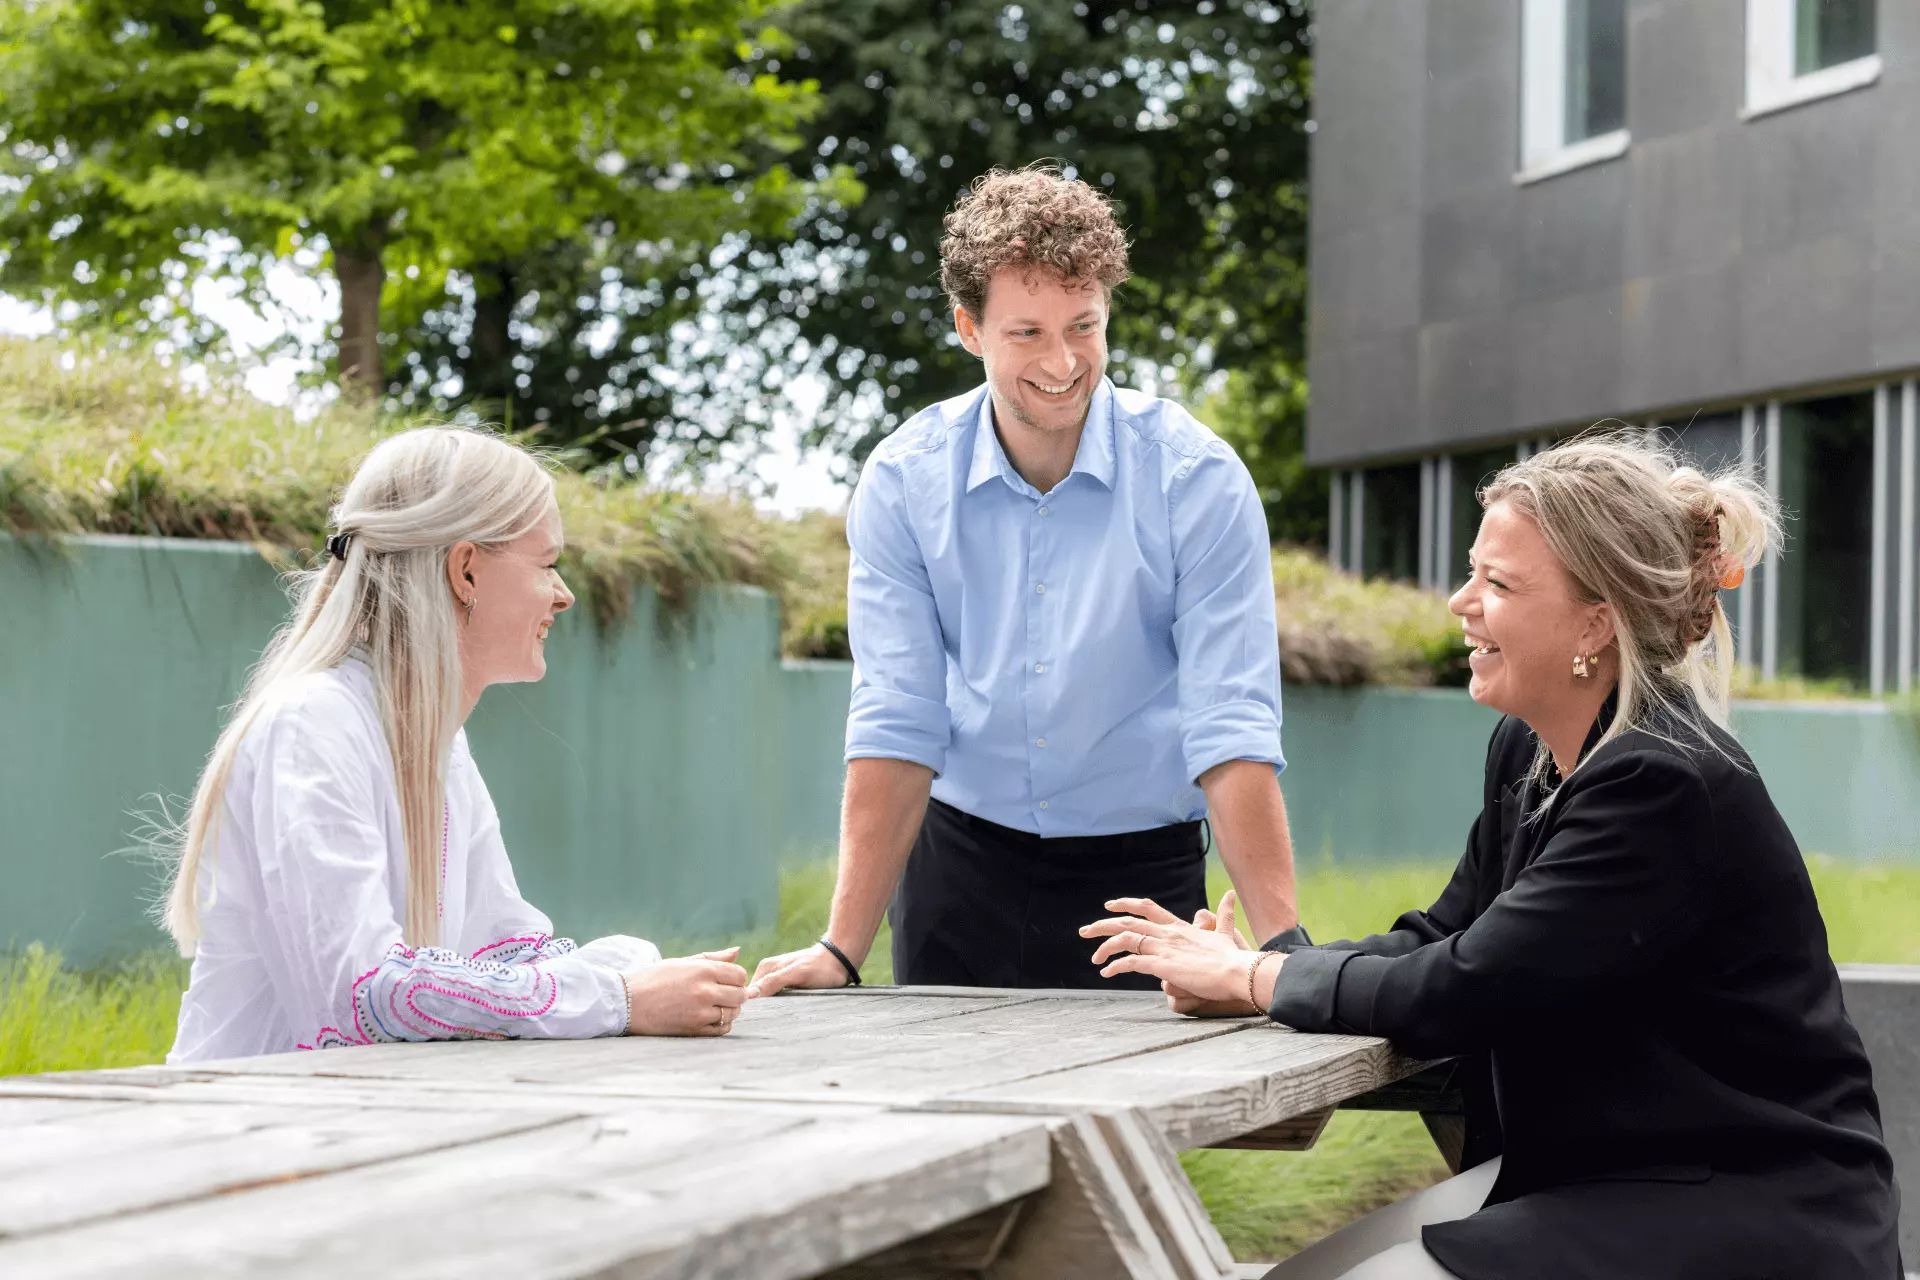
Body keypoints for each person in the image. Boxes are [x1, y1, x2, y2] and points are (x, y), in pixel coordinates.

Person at [1082, 434, 1903, 1279]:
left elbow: (1465, 985)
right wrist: (1257, 972)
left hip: (1745, 1212)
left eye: (1499, 584)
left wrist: (1258, 978)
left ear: (1596, 621)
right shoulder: (1533, 750)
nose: (1460, 602)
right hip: (1615, 1183)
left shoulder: (1661, 783)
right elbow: (1439, 937)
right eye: (1472, 573)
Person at [751, 164, 1301, 997]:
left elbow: (1230, 723)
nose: (1063, 360)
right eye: (1027, 333)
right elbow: (898, 716)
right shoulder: (904, 480)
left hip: (1141, 881)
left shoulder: (1197, 479)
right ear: (970, 329)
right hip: (957, 868)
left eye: (1083, 326)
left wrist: (1286, 955)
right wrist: (840, 949)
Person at [165, 427, 749, 1063]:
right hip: (243, 1117)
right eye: (546, 564)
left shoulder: (434, 738)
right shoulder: (313, 726)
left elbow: (504, 948)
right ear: (466, 570)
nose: (564, 594)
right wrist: (617, 997)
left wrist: (639, 971)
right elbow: (362, 996)